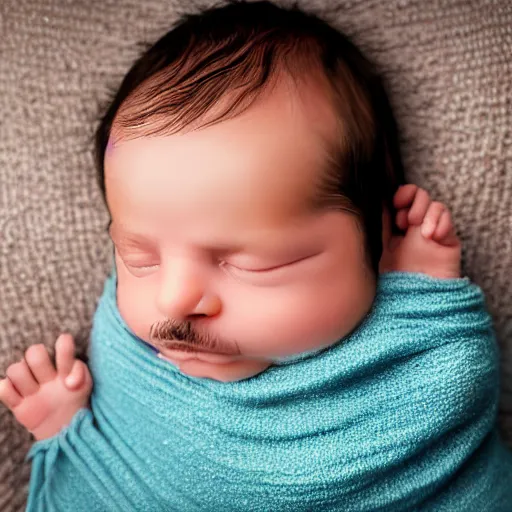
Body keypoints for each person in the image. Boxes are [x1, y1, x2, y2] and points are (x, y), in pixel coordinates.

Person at [1, 1, 511, 510]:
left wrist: (419, 300)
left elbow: (444, 388)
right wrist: (70, 433)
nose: (174, 299)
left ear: (377, 237)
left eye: (250, 264)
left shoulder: (407, 374)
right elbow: (117, 468)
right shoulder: (131, 353)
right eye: (140, 257)